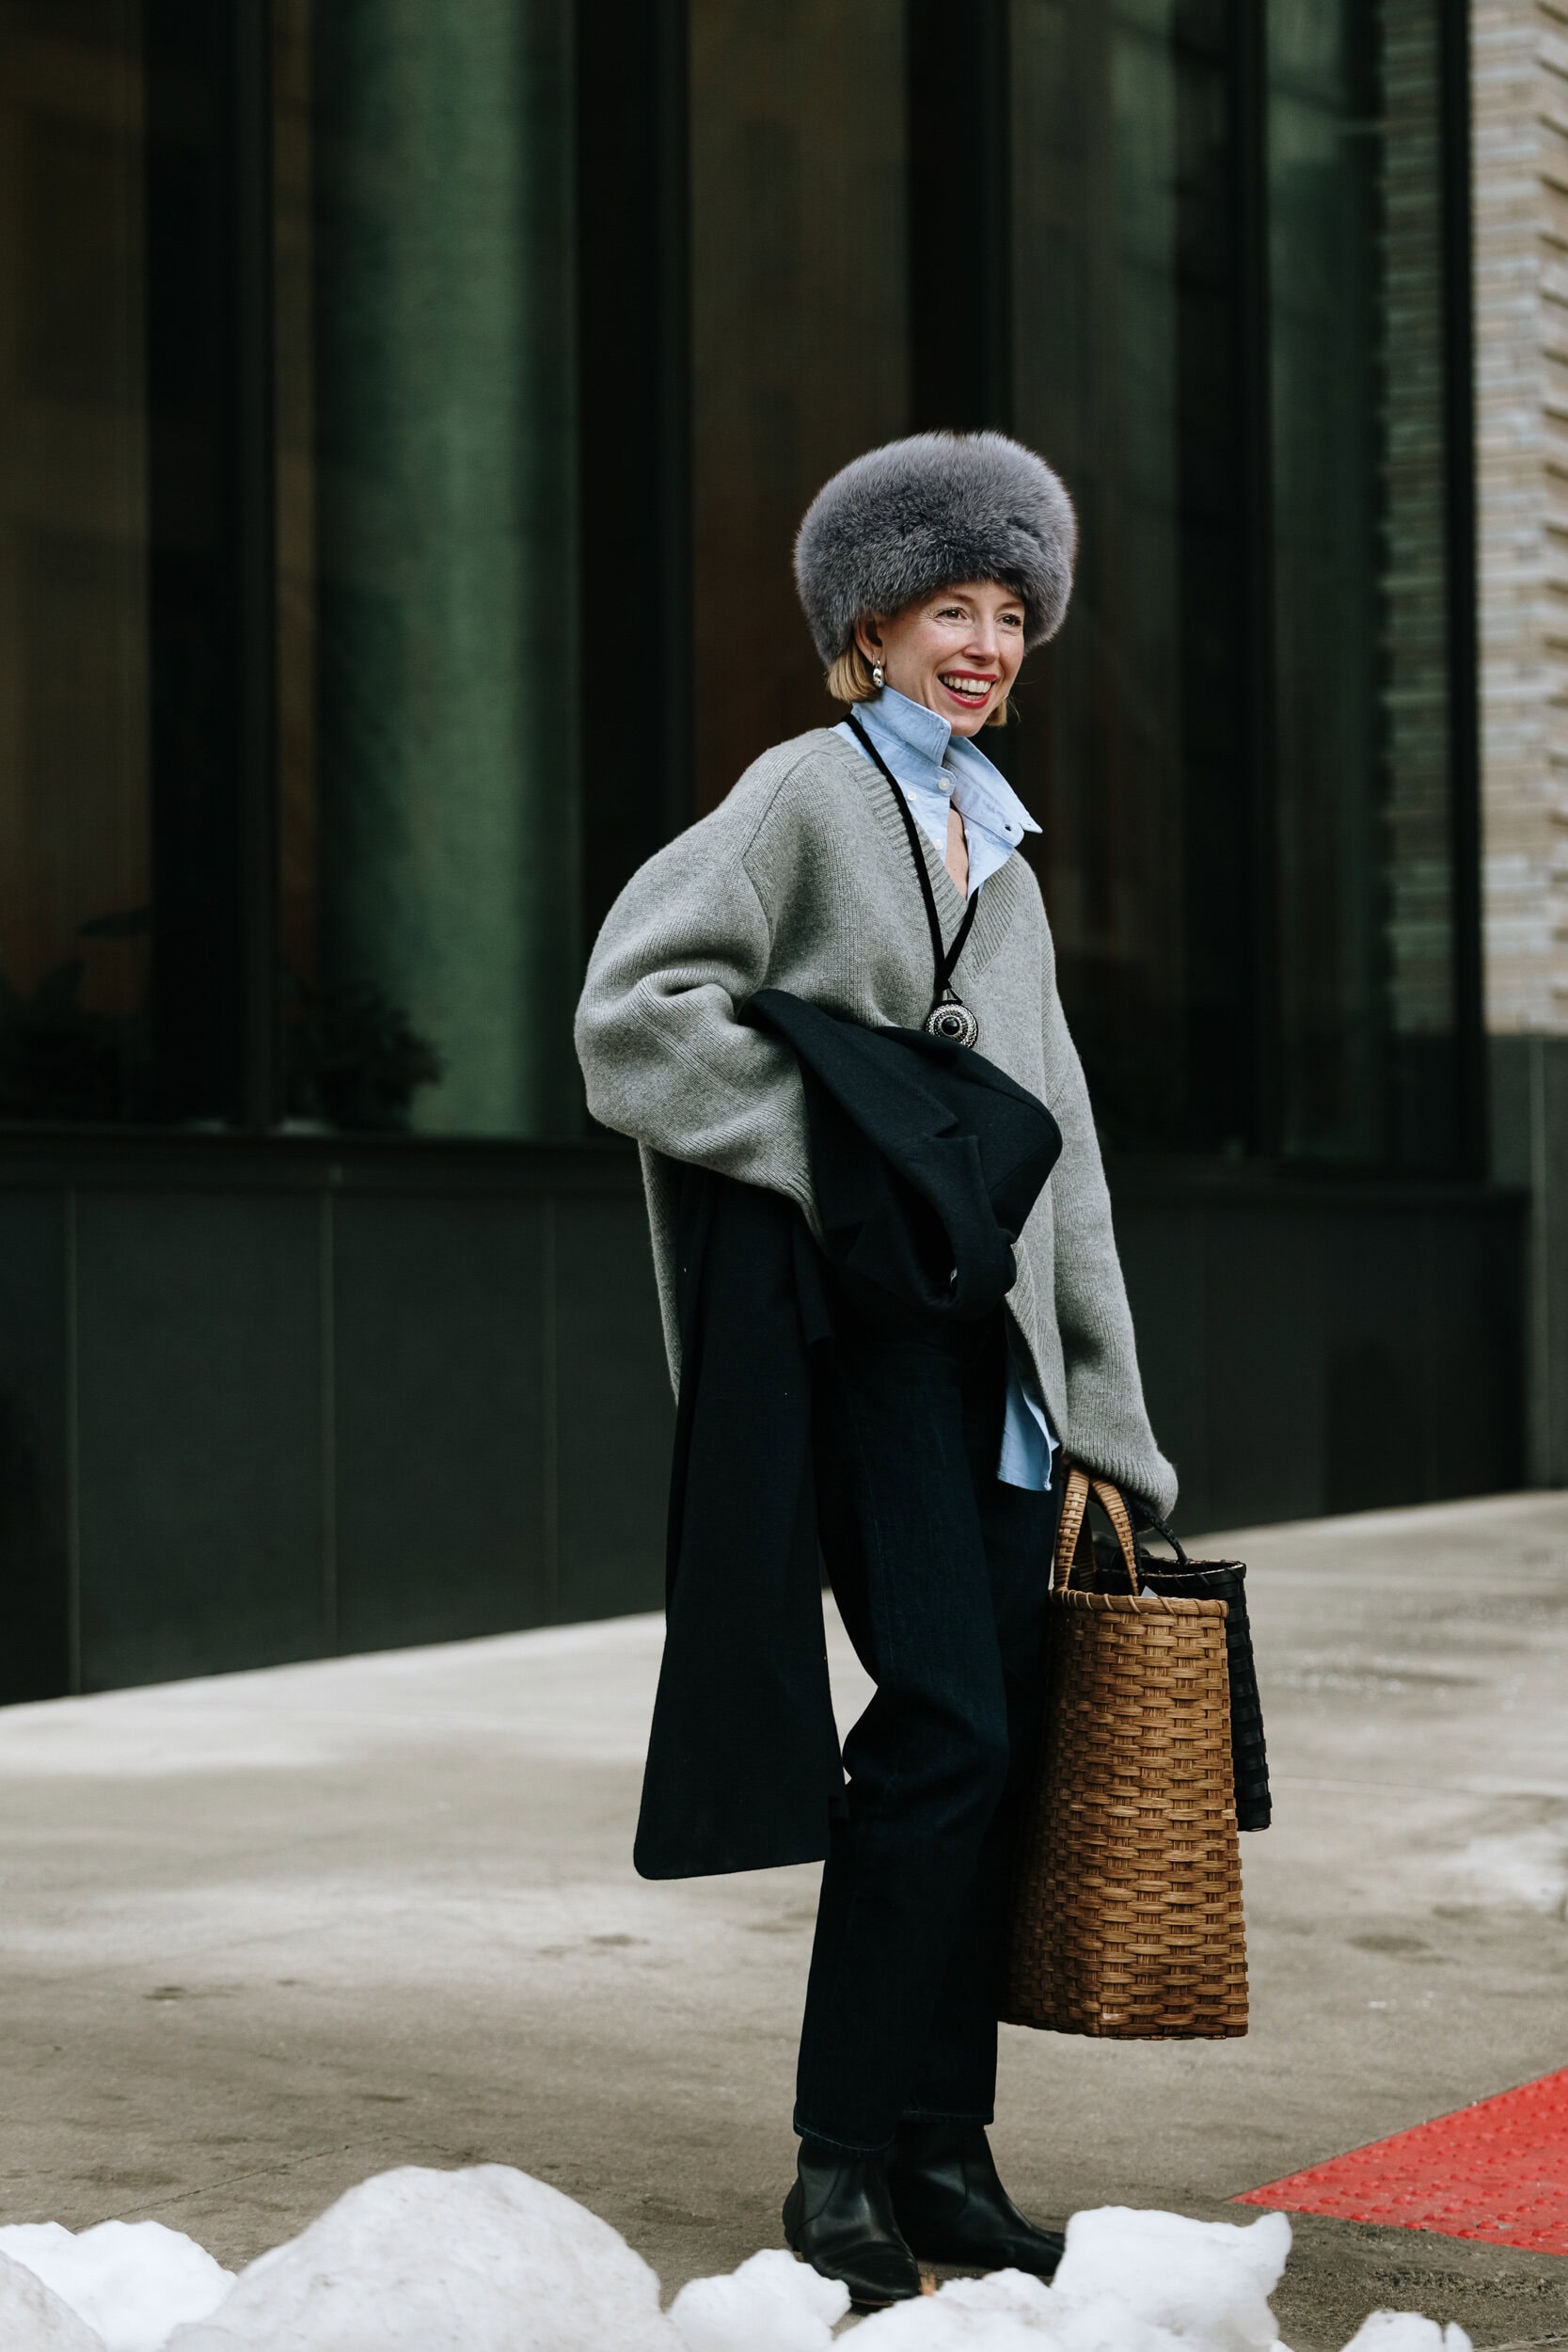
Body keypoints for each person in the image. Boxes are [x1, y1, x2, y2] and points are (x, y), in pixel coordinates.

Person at [575, 432, 1176, 2309]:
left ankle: (945, 2151)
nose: (985, 641)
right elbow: (630, 1021)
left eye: (1010, 612)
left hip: (991, 1378)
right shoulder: (802, 802)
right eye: (951, 607)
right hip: (859, 1352)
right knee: (946, 1731)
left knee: (988, 1753)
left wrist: (1110, 1426)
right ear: (870, 623)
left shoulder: (1003, 853)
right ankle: (843, 2155)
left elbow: (1062, 1144)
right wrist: (850, 1139)